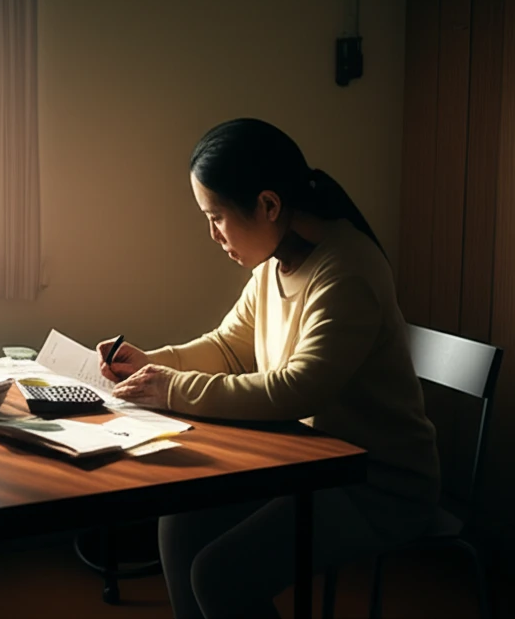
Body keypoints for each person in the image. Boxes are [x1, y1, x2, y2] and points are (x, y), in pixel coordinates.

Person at [96, 118, 440, 619]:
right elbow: (228, 346)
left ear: (269, 205)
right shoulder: (274, 263)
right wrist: (151, 363)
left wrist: (170, 388)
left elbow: (297, 390)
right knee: (179, 522)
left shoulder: (347, 272)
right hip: (305, 466)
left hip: (376, 483)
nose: (212, 234)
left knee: (220, 574)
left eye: (216, 217)